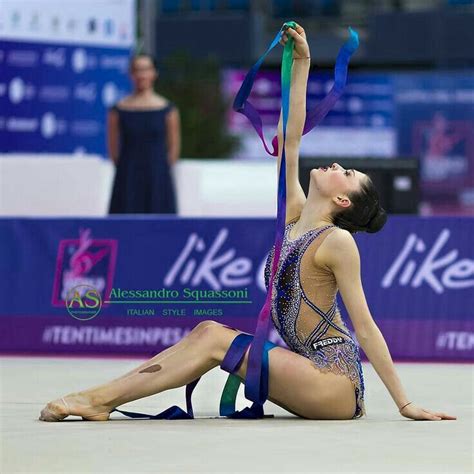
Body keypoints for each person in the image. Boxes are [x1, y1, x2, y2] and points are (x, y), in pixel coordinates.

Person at [39, 25, 456, 423]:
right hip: (304, 369)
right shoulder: (294, 216)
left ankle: (96, 400)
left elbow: (364, 326)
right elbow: (289, 139)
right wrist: (302, 62)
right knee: (208, 330)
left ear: (343, 199)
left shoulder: (337, 241)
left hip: (334, 381)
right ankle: (102, 398)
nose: (337, 166)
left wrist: (405, 403)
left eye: (346, 174)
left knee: (214, 338)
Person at [107, 53, 180, 214]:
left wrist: (160, 172)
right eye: (137, 70)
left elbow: (173, 150)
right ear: (131, 74)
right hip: (127, 179)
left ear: (154, 73)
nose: (142, 75)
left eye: (146, 69)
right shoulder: (117, 110)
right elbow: (113, 150)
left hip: (157, 179)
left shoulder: (168, 110)